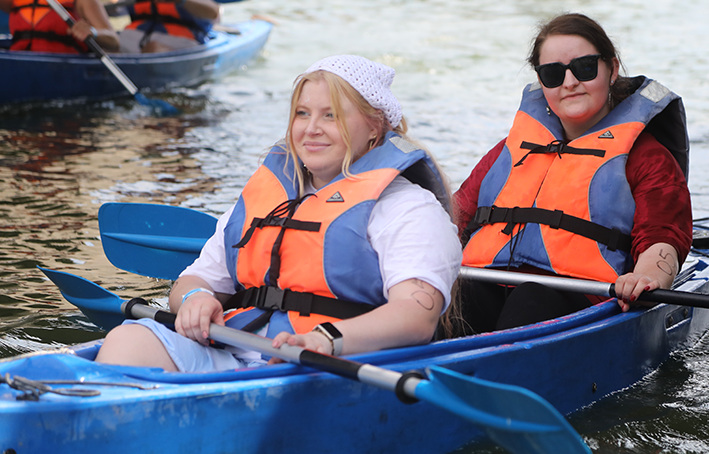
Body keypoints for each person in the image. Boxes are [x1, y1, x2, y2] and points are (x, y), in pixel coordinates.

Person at [95, 55, 462, 371]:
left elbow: (416, 316)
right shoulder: (269, 198)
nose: (311, 129)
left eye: (331, 115)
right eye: (302, 113)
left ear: (374, 126)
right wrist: (195, 300)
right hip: (236, 344)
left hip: (332, 362)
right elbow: (195, 280)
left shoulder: (408, 208)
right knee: (127, 340)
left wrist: (326, 339)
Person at [452, 13, 692, 334]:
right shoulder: (511, 149)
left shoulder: (647, 157)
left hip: (581, 301)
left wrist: (646, 277)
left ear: (612, 69)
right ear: (541, 82)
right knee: (455, 295)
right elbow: (456, 215)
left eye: (585, 68)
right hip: (490, 282)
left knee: (532, 297)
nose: (569, 83)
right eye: (552, 73)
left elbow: (663, 237)